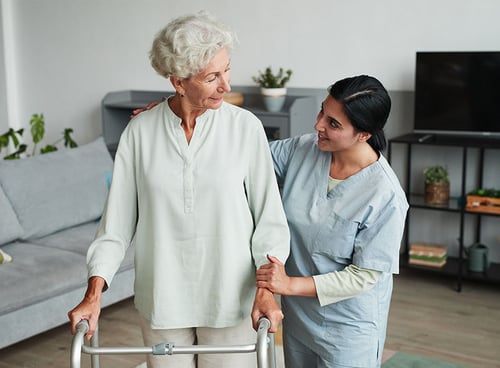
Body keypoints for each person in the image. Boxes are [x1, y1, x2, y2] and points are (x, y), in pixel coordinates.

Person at [68, 11, 290, 368]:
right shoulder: (140, 132)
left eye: (227, 70)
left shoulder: (245, 128)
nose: (226, 86)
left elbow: (269, 222)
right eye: (212, 77)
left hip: (231, 298)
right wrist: (93, 296)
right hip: (162, 299)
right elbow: (116, 227)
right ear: (178, 82)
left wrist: (266, 292)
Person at [256, 75, 409, 368]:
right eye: (322, 112)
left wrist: (288, 284)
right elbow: (245, 156)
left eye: (333, 124)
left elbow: (362, 276)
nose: (318, 126)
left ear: (364, 134)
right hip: (299, 319)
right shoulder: (302, 150)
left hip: (349, 328)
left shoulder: (385, 195)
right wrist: (171, 111)